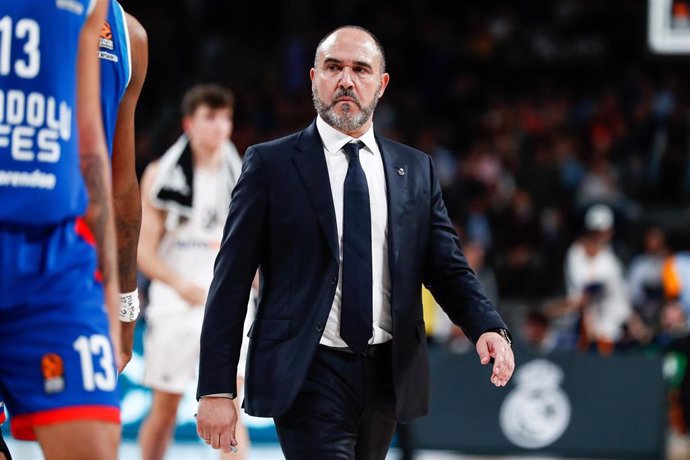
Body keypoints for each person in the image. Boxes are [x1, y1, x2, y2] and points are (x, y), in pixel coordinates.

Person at [195, 25, 515, 459]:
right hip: (307, 368)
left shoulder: (414, 169)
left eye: (360, 69)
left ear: (380, 85)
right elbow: (230, 281)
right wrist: (215, 388)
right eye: (334, 67)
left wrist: (486, 325)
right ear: (313, 79)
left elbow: (445, 264)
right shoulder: (270, 165)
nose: (346, 80)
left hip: (386, 370)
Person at [0, 0, 121, 459]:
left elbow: (91, 149)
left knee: (94, 445)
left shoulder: (95, 6)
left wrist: (111, 303)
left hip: (55, 264)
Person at [136, 84, 248, 460]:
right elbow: (143, 254)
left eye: (226, 118)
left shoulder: (246, 175)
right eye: (211, 117)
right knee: (165, 411)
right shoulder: (159, 174)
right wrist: (180, 284)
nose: (220, 127)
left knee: (233, 413)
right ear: (189, 123)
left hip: (228, 304)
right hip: (176, 300)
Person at [99, 0, 149, 372]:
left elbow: (121, 189)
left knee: (87, 428)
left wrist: (126, 302)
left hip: (68, 266)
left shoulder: (127, 35)